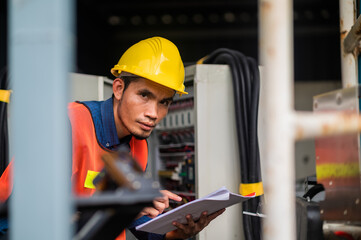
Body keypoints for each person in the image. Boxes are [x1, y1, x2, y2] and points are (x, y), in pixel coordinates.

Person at [0, 36, 225, 239]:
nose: (153, 113)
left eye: (163, 102)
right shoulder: (64, 127)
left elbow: (138, 224)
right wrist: (121, 207)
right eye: (144, 95)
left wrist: (175, 234)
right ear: (118, 88)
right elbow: (20, 220)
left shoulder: (138, 144)